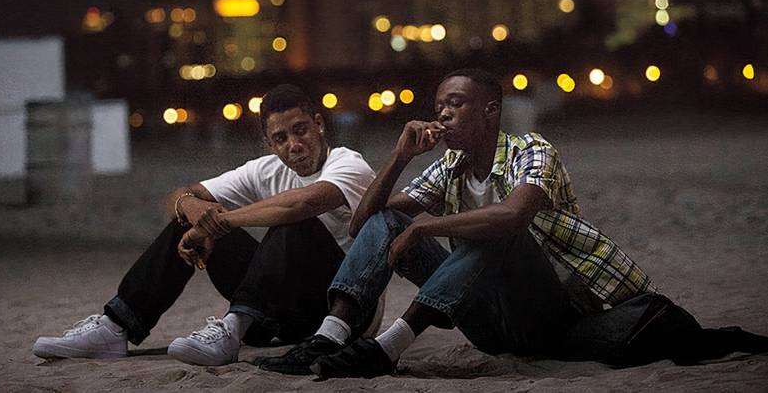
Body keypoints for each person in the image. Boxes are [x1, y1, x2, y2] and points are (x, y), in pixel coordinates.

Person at [258, 69, 768, 379]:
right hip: (489, 324)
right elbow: (365, 222)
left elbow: (515, 214)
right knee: (393, 217)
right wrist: (397, 158)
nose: (443, 114)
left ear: (490, 111)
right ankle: (330, 335)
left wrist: (429, 229)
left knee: (500, 230)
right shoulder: (447, 166)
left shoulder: (531, 151)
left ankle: (388, 346)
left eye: (455, 104)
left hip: (550, 309)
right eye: (439, 105)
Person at [32, 84, 381, 366]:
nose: (294, 145)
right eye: (281, 138)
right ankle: (116, 325)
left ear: (318, 124)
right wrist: (191, 208)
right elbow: (178, 196)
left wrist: (219, 221)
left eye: (300, 130)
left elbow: (303, 203)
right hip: (279, 316)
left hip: (342, 313)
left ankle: (232, 327)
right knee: (186, 226)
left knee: (293, 224)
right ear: (268, 143)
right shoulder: (265, 169)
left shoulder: (349, 163)